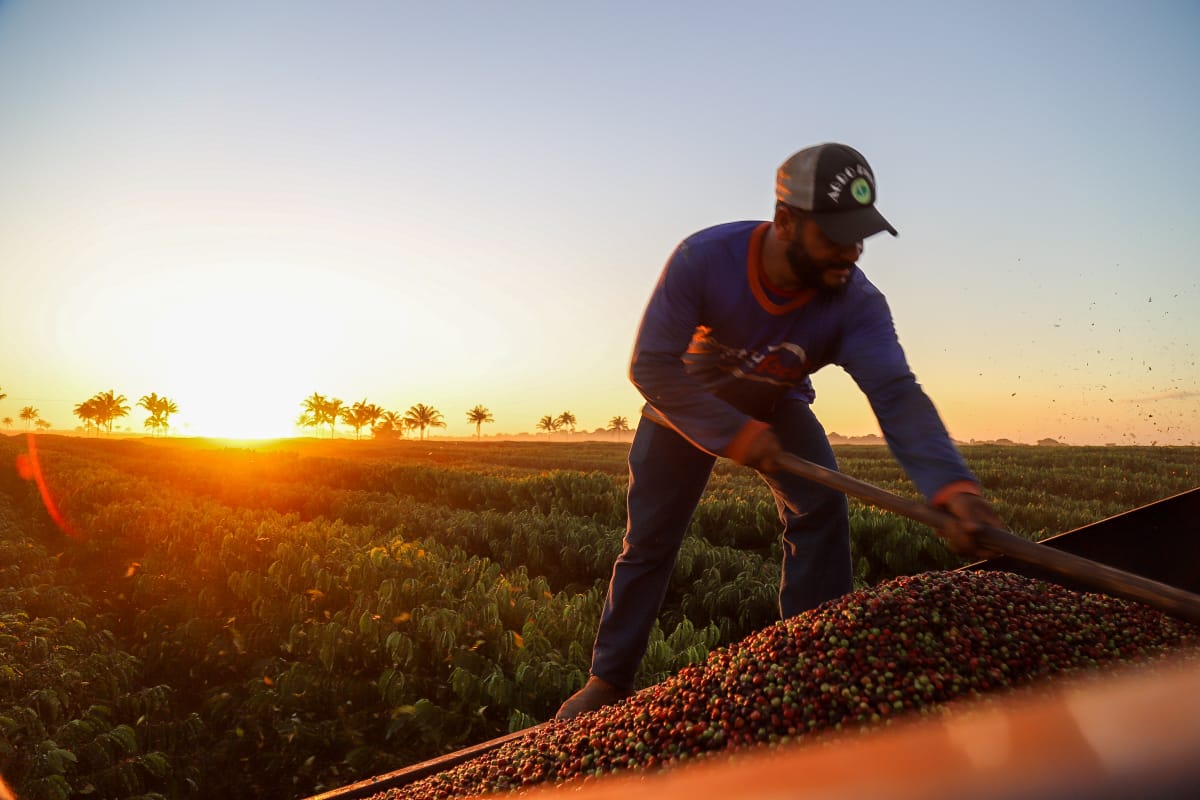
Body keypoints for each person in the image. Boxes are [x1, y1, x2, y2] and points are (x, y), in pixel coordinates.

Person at [555, 142, 1004, 721]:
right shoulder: (704, 258)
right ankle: (608, 678)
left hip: (776, 402)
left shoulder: (855, 303)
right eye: (835, 235)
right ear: (786, 220)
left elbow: (896, 393)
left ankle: (813, 657)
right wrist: (730, 432)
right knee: (650, 540)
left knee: (819, 508)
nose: (852, 251)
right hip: (684, 404)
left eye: (860, 235)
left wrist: (953, 488)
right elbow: (651, 365)